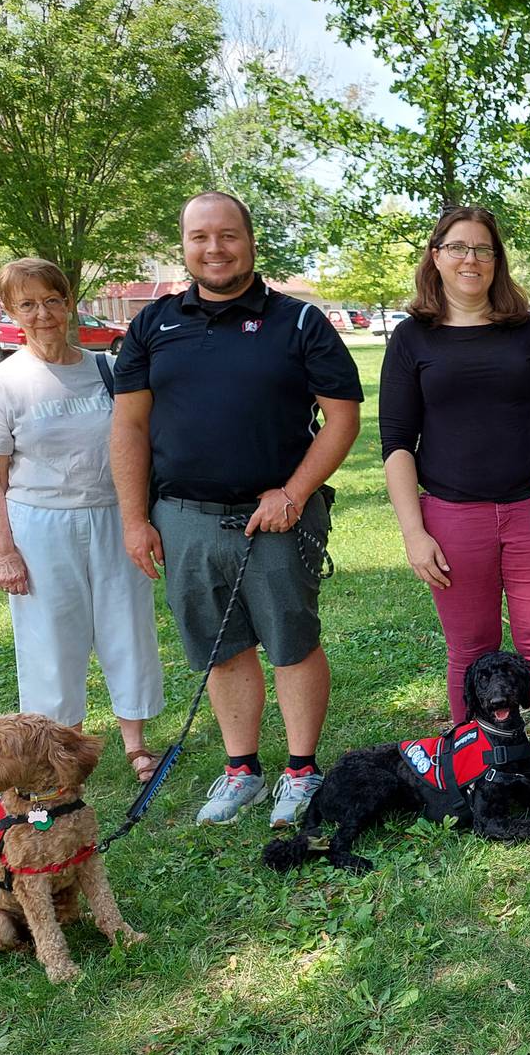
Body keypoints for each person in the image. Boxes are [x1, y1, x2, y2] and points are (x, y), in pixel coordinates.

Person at [111, 191, 363, 828]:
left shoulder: (299, 323)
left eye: (227, 235)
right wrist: (134, 519)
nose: (214, 248)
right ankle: (241, 770)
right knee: (220, 647)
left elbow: (342, 419)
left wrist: (293, 493)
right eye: (200, 237)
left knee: (291, 642)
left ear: (251, 242)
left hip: (276, 518)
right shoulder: (153, 324)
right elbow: (129, 427)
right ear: (185, 245)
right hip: (184, 517)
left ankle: (302, 771)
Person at [379, 207, 530, 804]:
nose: (471, 260)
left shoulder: (524, 331)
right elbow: (396, 443)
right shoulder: (412, 339)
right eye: (458, 247)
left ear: (496, 260)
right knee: (472, 651)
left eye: (483, 249)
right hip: (453, 519)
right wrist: (414, 532)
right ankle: (474, 765)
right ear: (436, 256)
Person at [0, 258, 163, 780]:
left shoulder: (107, 369)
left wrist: (140, 517)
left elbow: (141, 443)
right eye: (27, 304)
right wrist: (3, 552)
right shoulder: (2, 384)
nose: (42, 313)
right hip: (41, 525)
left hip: (112, 516)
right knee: (51, 638)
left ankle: (136, 745)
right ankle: (58, 752)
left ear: (69, 302)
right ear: (10, 312)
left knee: (128, 626)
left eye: (52, 300)